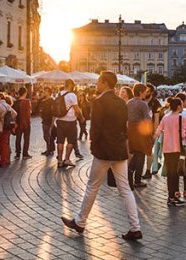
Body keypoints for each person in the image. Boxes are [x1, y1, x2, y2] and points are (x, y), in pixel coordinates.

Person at [61, 71, 142, 241]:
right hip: (119, 150)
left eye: (99, 81)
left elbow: (95, 128)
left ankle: (80, 222)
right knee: (125, 189)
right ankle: (135, 228)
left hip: (104, 151)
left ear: (105, 83)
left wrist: (92, 144)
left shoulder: (99, 102)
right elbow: (123, 126)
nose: (97, 84)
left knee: (92, 186)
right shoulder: (121, 102)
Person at [155, 97, 186, 206]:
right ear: (178, 106)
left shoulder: (165, 117)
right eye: (182, 104)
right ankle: (173, 197)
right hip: (176, 148)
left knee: (170, 172)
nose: (183, 106)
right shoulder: (180, 118)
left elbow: (159, 130)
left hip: (166, 148)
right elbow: (183, 135)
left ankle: (171, 196)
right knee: (175, 173)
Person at [127, 83, 153, 188]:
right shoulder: (142, 104)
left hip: (131, 130)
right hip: (140, 131)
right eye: (145, 92)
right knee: (141, 154)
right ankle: (137, 180)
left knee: (136, 154)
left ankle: (129, 175)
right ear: (140, 92)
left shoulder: (129, 102)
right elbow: (147, 119)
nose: (146, 94)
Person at [56, 79, 85, 168]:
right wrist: (81, 117)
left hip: (60, 120)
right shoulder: (72, 95)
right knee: (71, 141)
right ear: (70, 85)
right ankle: (67, 159)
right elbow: (77, 109)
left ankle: (60, 161)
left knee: (60, 141)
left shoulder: (59, 94)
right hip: (70, 121)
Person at [0, 92, 17, 168]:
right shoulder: (8, 105)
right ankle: (3, 162)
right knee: (4, 146)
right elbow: (15, 113)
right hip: (6, 128)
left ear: (0, 97)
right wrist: (6, 120)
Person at [142, 84, 161, 179]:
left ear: (152, 92)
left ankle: (148, 171)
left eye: (148, 91)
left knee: (148, 150)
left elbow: (157, 119)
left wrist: (155, 133)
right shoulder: (141, 100)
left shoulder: (155, 103)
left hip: (151, 130)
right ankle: (155, 163)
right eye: (145, 90)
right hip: (141, 130)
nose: (146, 92)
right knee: (145, 150)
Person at [13, 87, 32, 160]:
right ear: (25, 93)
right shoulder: (27, 101)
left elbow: (13, 113)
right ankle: (25, 153)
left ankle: (17, 154)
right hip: (26, 122)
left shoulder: (16, 102)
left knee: (18, 138)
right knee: (26, 138)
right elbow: (29, 112)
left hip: (18, 122)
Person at [39, 87, 55, 156]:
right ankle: (49, 149)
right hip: (44, 120)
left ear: (49, 92)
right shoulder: (43, 101)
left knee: (48, 135)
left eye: (45, 91)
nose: (44, 92)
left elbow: (54, 112)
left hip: (49, 120)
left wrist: (53, 121)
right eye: (44, 91)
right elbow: (41, 109)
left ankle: (50, 149)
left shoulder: (52, 101)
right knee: (45, 136)